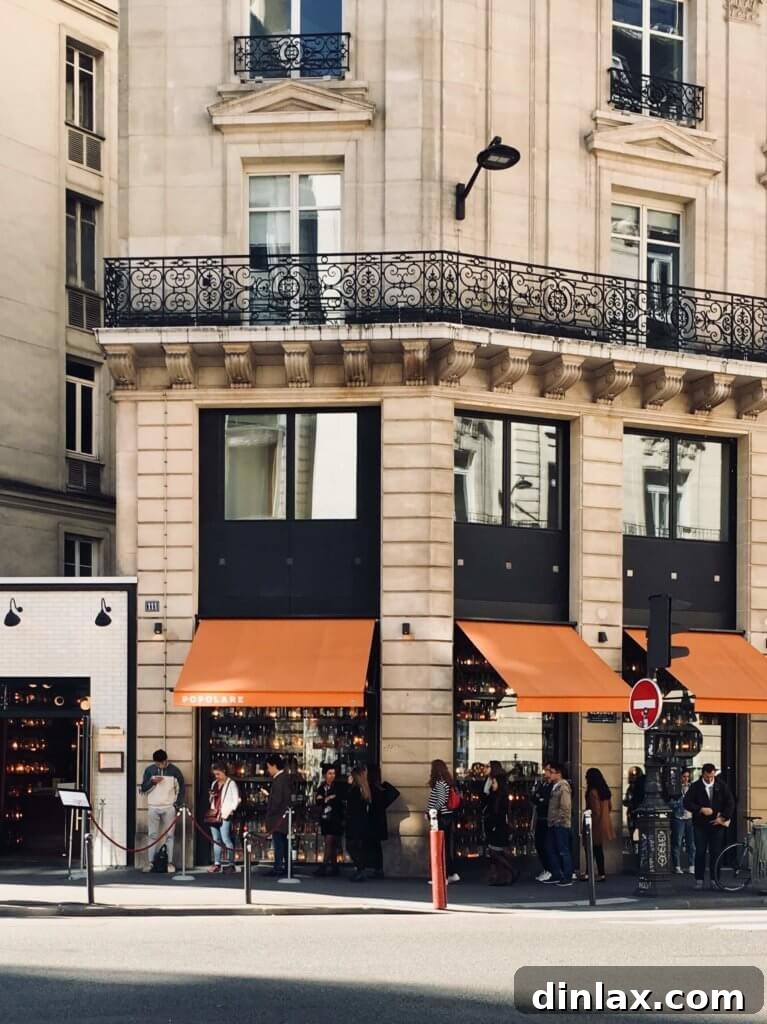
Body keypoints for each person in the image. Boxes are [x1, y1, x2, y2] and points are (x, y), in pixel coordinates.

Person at [683, 763, 735, 890]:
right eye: (707, 777)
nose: (710, 779)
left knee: (715, 852)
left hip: (717, 824)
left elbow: (730, 802)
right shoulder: (696, 786)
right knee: (700, 851)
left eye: (712, 776)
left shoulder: (721, 785)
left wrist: (723, 817)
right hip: (700, 824)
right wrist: (700, 809)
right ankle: (699, 879)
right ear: (703, 774)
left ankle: (714, 879)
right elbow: (687, 802)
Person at [140, 748, 185, 873]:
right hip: (153, 806)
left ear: (166, 760)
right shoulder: (149, 770)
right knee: (152, 835)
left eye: (162, 762)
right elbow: (143, 788)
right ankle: (150, 862)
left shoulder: (174, 771)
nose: (160, 765)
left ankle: (169, 862)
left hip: (169, 806)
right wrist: (152, 782)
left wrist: (176, 804)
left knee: (170, 835)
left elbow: (181, 788)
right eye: (158, 763)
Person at [482, 762, 519, 886]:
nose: (492, 785)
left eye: (494, 783)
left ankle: (512, 871)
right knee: (496, 852)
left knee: (495, 852)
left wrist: (493, 825)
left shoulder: (499, 796)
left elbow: (497, 812)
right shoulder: (496, 794)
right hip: (498, 825)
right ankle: (501, 876)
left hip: (498, 826)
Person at [426, 759, 459, 884]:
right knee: (444, 847)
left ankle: (442, 877)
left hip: (442, 818)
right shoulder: (446, 782)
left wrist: (431, 811)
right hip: (446, 817)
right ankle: (451, 873)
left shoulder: (440, 783)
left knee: (440, 847)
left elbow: (441, 800)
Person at [366, 764, 400, 879]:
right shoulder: (380, 787)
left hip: (373, 819)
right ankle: (378, 868)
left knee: (373, 845)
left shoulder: (373, 788)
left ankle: (376, 868)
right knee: (376, 845)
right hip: (379, 819)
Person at [581, 767, 615, 882]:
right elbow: (610, 807)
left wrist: (588, 822)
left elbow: (595, 810)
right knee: (598, 849)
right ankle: (601, 873)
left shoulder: (592, 792)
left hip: (594, 823)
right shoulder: (605, 791)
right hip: (603, 822)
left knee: (590, 849)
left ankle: (589, 872)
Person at [205, 762, 240, 874]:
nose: (217, 776)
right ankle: (217, 863)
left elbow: (236, 799)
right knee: (216, 840)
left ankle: (231, 864)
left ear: (224, 771)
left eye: (218, 774)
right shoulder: (214, 783)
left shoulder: (231, 783)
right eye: (215, 774)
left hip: (225, 814)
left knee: (226, 839)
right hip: (214, 814)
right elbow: (211, 800)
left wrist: (231, 810)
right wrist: (211, 796)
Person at [544, 761, 573, 887]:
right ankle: (556, 873)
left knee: (563, 850)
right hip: (553, 823)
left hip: (560, 824)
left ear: (558, 773)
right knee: (550, 848)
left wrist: (558, 820)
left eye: (551, 772)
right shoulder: (555, 786)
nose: (548, 774)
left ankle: (567, 876)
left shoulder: (563, 787)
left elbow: (565, 806)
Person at [314, 762, 345, 877]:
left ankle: (324, 866)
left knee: (330, 842)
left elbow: (338, 800)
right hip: (326, 819)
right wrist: (327, 799)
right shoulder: (321, 787)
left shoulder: (338, 787)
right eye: (329, 773)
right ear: (324, 775)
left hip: (336, 818)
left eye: (333, 773)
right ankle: (334, 866)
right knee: (331, 843)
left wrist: (326, 799)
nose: (332, 776)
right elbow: (318, 801)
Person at [264, 754, 292, 877]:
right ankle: (287, 867)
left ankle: (278, 868)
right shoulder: (284, 778)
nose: (268, 770)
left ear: (274, 766)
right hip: (283, 817)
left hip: (278, 818)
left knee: (279, 844)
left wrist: (270, 811)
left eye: (269, 767)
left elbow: (277, 800)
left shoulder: (279, 779)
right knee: (284, 844)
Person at [345, 765, 373, 881]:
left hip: (354, 821)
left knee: (352, 846)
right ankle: (361, 869)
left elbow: (351, 806)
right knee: (358, 846)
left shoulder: (355, 790)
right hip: (362, 821)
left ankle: (360, 869)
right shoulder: (364, 789)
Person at [671, 767, 696, 876]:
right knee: (677, 842)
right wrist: (680, 802)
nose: (686, 779)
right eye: (684, 777)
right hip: (679, 817)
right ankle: (677, 866)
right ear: (680, 777)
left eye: (687, 777)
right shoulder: (675, 788)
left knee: (691, 843)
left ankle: (691, 866)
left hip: (690, 817)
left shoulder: (692, 788)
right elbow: (671, 803)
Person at [532, 764, 554, 882]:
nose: (545, 772)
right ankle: (546, 868)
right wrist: (538, 798)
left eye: (547, 770)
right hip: (540, 818)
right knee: (539, 844)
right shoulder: (543, 784)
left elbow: (546, 801)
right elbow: (535, 798)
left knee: (546, 845)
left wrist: (540, 799)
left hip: (547, 819)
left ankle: (550, 869)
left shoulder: (553, 786)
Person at [623, 766, 645, 851]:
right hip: (634, 813)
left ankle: (636, 848)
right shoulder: (632, 787)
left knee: (634, 832)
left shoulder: (633, 788)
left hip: (634, 812)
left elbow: (628, 800)